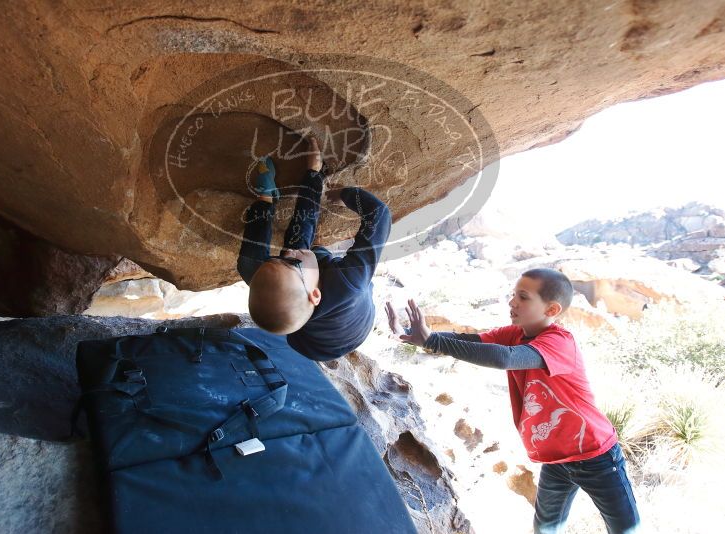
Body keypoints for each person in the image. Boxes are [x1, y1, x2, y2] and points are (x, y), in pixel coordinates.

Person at [386, 268, 641, 534]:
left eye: (523, 297)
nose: (512, 302)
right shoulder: (513, 334)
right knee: (545, 528)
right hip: (556, 460)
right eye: (513, 295)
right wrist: (412, 335)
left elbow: (503, 358)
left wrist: (432, 339)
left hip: (596, 455)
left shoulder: (559, 341)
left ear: (552, 309)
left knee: (625, 529)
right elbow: (467, 341)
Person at [237, 137, 391, 361]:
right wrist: (342, 193)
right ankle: (312, 173)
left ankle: (265, 198)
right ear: (315, 294)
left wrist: (289, 264)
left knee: (249, 266)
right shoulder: (351, 280)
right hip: (323, 345)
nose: (287, 253)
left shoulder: (300, 277)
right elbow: (379, 214)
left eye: (277, 258)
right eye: (292, 262)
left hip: (308, 330)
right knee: (298, 241)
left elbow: (287, 262)